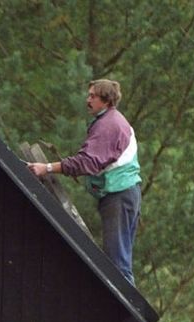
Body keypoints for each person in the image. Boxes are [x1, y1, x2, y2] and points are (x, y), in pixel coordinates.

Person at [28, 78, 142, 285]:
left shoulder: (109, 125)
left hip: (119, 195)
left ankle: (125, 314)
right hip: (124, 194)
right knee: (120, 262)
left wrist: (48, 168)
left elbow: (86, 162)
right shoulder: (112, 121)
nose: (87, 100)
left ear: (106, 100)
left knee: (118, 267)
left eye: (93, 96)